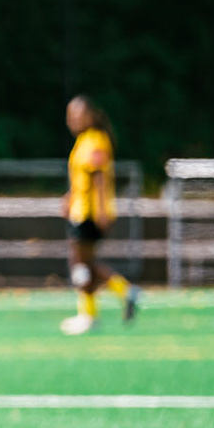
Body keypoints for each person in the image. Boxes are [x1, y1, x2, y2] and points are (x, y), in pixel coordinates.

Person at [59, 96, 140, 336]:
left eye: (77, 115)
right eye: (70, 116)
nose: (72, 120)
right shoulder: (84, 140)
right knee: (86, 265)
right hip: (81, 209)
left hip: (89, 213)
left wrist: (102, 210)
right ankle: (124, 293)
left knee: (80, 265)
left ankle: (90, 315)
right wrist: (70, 197)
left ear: (91, 115)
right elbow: (81, 178)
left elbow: (99, 179)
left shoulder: (95, 140)